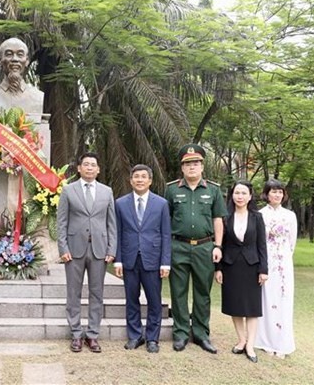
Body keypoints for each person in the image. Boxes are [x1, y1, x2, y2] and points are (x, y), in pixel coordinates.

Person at [165, 144, 226, 353]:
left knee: (203, 292)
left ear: (202, 166)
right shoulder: (172, 189)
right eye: (187, 164)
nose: (192, 167)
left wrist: (218, 245)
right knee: (178, 291)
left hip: (204, 247)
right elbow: (166, 219)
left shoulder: (213, 190)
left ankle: (201, 334)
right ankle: (181, 333)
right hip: (178, 246)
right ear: (182, 168)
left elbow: (218, 219)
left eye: (196, 163)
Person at [57, 152, 117, 353]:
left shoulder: (107, 191)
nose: (90, 168)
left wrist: (112, 249)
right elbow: (62, 222)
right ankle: (75, 334)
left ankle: (92, 335)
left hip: (99, 250)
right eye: (86, 164)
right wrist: (63, 248)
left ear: (98, 169)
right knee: (73, 293)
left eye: (93, 164)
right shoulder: (68, 190)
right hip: (74, 250)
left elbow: (111, 224)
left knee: (96, 293)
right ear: (79, 168)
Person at [114, 164, 171, 353]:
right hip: (129, 259)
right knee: (132, 299)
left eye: (143, 176)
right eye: (136, 176)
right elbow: (118, 233)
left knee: (154, 300)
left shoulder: (161, 203)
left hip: (153, 259)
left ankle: (152, 338)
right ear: (131, 180)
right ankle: (135, 336)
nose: (139, 180)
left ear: (150, 180)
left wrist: (165, 262)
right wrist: (118, 260)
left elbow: (165, 234)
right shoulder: (120, 203)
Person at [214, 181, 268, 363]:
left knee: (252, 308)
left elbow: (262, 245)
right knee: (235, 306)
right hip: (230, 266)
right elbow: (220, 244)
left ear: (250, 196)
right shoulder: (225, 217)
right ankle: (241, 340)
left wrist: (263, 269)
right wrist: (218, 268)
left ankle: (250, 345)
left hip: (252, 266)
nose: (240, 196)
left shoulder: (257, 217)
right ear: (232, 195)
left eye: (244, 193)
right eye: (237, 192)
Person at [255, 179, 297, 358]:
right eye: (273, 191)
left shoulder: (290, 215)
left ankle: (282, 341)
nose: (277, 195)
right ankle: (265, 340)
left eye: (280, 192)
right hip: (266, 261)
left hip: (284, 262)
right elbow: (258, 241)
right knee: (267, 298)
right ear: (267, 194)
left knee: (284, 299)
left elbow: (292, 241)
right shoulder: (260, 214)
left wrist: (284, 257)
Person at [0, 37, 44, 119]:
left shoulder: (37, 97)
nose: (15, 59)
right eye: (9, 54)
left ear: (27, 61)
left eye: (20, 55)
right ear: (0, 60)